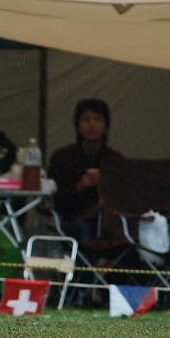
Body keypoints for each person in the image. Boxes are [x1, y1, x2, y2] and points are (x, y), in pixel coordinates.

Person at [47, 98, 124, 242]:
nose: (92, 125)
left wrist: (105, 181)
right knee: (83, 229)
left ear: (105, 126)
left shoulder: (115, 159)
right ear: (77, 126)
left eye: (98, 120)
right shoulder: (61, 157)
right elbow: (56, 200)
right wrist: (80, 185)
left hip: (106, 220)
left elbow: (123, 198)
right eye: (86, 120)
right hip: (71, 217)